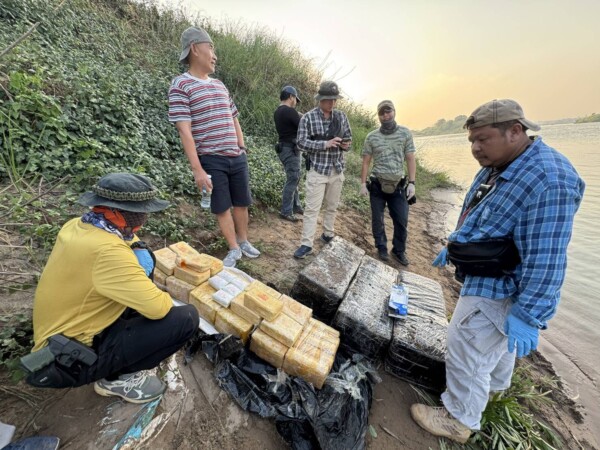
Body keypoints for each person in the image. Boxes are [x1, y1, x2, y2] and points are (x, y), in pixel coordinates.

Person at [411, 99, 585, 443]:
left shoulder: (548, 180)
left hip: (502, 286)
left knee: (466, 343)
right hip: (483, 270)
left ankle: (458, 419)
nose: (475, 148)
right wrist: (455, 245)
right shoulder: (501, 163)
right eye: (472, 141)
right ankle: (488, 392)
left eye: (483, 139)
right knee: (495, 348)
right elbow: (481, 210)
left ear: (515, 131)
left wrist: (528, 314)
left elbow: (547, 258)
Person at [26, 173, 200, 403]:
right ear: (116, 212)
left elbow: (128, 240)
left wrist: (138, 247)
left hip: (63, 336)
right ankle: (117, 379)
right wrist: (159, 296)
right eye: (138, 213)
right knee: (186, 318)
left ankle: (121, 342)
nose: (143, 218)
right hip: (70, 359)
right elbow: (159, 309)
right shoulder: (109, 253)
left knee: (143, 254)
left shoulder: (79, 225)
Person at [168, 27, 260, 268]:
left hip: (236, 156)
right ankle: (233, 248)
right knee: (221, 206)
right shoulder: (180, 85)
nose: (215, 55)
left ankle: (243, 241)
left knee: (242, 202)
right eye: (211, 47)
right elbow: (185, 130)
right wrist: (197, 169)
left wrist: (242, 147)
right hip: (211, 158)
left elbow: (234, 118)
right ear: (195, 49)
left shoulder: (220, 85)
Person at [293, 81, 352, 258]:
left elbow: (348, 139)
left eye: (334, 99)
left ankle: (328, 233)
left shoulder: (341, 117)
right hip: (318, 170)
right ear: (320, 99)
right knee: (312, 209)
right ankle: (306, 244)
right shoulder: (308, 118)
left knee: (332, 206)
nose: (332, 103)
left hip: (336, 169)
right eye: (328, 99)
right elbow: (300, 143)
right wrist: (324, 144)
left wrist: (345, 145)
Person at [360, 100, 416, 265]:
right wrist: (363, 184)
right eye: (382, 113)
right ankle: (381, 248)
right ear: (378, 116)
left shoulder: (405, 133)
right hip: (377, 185)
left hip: (398, 186)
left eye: (388, 111)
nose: (386, 116)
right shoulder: (371, 137)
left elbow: (410, 159)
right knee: (377, 220)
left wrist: (412, 183)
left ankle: (399, 251)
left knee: (401, 220)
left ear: (394, 111)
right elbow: (366, 162)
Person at [273, 85, 304, 222]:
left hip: (283, 148)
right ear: (291, 97)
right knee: (293, 178)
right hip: (290, 148)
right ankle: (286, 211)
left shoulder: (278, 111)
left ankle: (296, 206)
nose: (296, 102)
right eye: (295, 99)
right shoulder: (290, 111)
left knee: (294, 177)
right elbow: (303, 127)